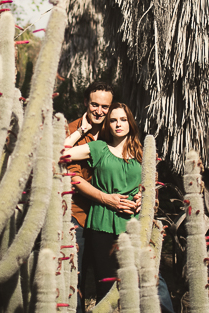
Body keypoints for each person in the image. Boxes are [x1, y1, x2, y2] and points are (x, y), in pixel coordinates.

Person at [65, 82, 136, 311]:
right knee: (75, 277)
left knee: (106, 277)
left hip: (109, 217)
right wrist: (106, 198)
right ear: (86, 102)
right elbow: (73, 178)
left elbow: (132, 168)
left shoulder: (113, 128)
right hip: (78, 214)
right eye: (94, 104)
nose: (99, 111)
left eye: (104, 106)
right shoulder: (71, 130)